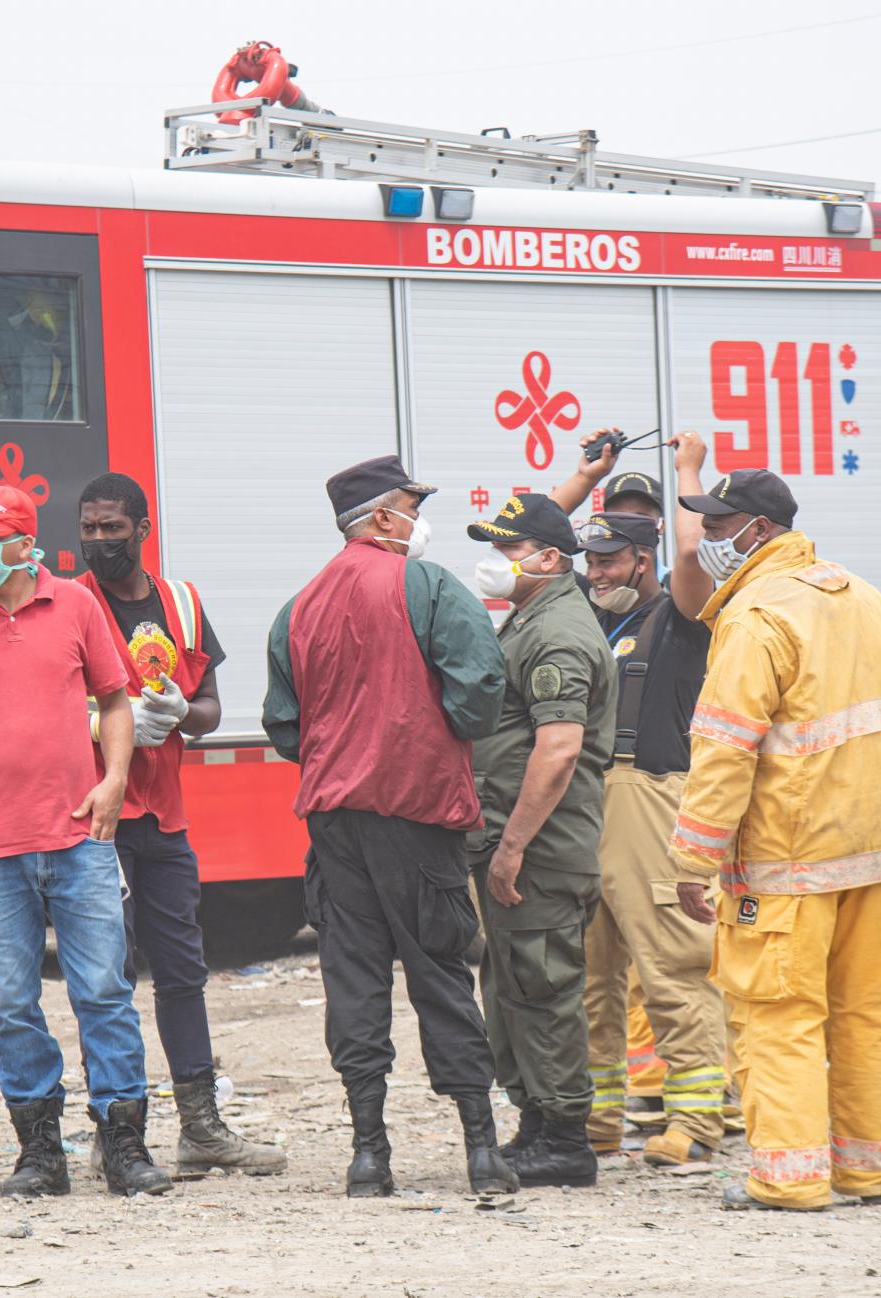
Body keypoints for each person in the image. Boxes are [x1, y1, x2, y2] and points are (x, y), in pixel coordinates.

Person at [0, 482, 171, 1199]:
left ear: (25, 545)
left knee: (104, 993)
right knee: (12, 1002)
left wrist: (114, 778)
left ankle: (125, 1149)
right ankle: (40, 1154)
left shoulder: (77, 608)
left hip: (79, 839)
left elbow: (116, 700)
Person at [262, 455, 517, 1199]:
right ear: (382, 518)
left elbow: (285, 728)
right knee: (440, 972)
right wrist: (434, 734)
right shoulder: (430, 587)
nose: (417, 519)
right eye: (411, 505)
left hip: (336, 825)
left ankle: (368, 1157)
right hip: (419, 816)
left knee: (354, 979)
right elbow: (480, 692)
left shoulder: (300, 606)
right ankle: (481, 1152)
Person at [668, 468, 881, 1212]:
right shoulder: (863, 598)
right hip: (872, 858)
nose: (707, 540)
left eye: (717, 527)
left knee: (778, 1015)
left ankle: (789, 1175)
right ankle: (868, 1169)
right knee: (866, 1015)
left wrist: (693, 857)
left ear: (759, 531)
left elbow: (724, 748)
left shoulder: (757, 616)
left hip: (788, 861)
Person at [74, 472, 285, 1175]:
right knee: (104, 977)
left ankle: (200, 1130)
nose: (99, 540)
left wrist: (177, 716)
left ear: (142, 529)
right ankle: (117, 1130)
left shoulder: (182, 605)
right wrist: (106, 723)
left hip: (163, 817)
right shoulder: (69, 605)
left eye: (112, 528)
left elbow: (211, 705)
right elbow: (45, 702)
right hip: (95, 815)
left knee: (183, 971)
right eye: (89, 527)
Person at [543, 431, 726, 1167]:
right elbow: (535, 540)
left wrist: (689, 472)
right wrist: (587, 477)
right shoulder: (581, 611)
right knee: (592, 974)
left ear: (642, 560)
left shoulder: (679, 618)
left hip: (650, 796)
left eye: (610, 559)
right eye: (589, 560)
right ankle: (600, 1121)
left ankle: (697, 1122)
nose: (595, 572)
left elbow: (691, 558)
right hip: (583, 797)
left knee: (673, 964)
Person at [466, 492, 615, 1188]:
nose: (498, 563)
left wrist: (513, 845)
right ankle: (536, 1123)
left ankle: (564, 1140)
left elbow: (556, 751)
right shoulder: (532, 618)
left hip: (544, 848)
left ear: (548, 559)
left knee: (544, 982)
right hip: (518, 839)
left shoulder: (557, 632)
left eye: (508, 550)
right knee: (515, 983)